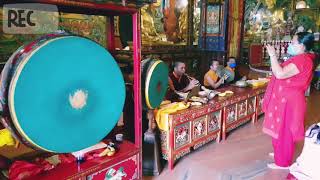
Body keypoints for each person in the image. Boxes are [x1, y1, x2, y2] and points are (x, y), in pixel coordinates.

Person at [262, 32, 316, 169]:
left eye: (293, 43)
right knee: (279, 128)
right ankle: (279, 153)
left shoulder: (303, 60)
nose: (290, 45)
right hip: (285, 99)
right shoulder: (300, 58)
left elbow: (280, 74)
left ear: (302, 46)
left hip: (290, 102)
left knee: (285, 130)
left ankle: (283, 162)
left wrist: (273, 55)